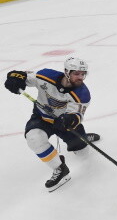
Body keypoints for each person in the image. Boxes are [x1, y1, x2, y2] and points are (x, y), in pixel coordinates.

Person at [3, 57, 100, 191]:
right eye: (76, 73)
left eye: (83, 74)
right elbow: (23, 75)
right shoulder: (46, 75)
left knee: (83, 154)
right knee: (33, 138)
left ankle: (84, 138)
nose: (81, 77)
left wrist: (70, 120)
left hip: (65, 124)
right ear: (67, 72)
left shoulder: (82, 94)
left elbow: (77, 115)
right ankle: (60, 169)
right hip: (41, 118)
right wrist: (14, 78)